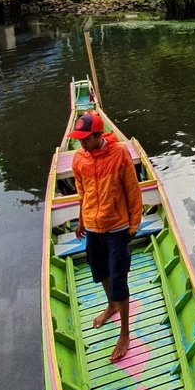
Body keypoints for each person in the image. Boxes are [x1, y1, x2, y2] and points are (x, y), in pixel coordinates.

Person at [70, 112, 142, 363]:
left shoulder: (119, 155)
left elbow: (133, 192)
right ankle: (111, 305)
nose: (81, 143)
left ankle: (124, 334)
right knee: (100, 271)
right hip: (92, 226)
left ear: (98, 135)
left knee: (119, 278)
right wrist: (81, 219)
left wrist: (133, 226)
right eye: (78, 139)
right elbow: (82, 192)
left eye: (85, 139)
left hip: (117, 227)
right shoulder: (79, 158)